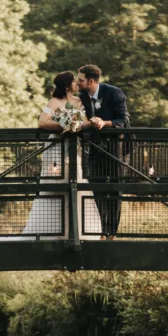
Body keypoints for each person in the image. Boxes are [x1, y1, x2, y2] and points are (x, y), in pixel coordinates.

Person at [23, 71, 91, 236]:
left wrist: (77, 125)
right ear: (68, 85)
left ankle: (77, 231)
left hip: (74, 149)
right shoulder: (54, 102)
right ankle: (50, 231)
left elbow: (87, 121)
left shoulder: (80, 101)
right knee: (55, 184)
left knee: (77, 182)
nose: (77, 84)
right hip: (56, 148)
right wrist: (63, 125)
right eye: (74, 81)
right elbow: (42, 122)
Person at [77, 64, 130, 240]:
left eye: (81, 80)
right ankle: (101, 229)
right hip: (94, 149)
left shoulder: (115, 93)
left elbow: (123, 120)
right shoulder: (81, 97)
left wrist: (104, 123)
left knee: (115, 190)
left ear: (91, 81)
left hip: (117, 149)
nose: (78, 82)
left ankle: (111, 232)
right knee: (96, 188)